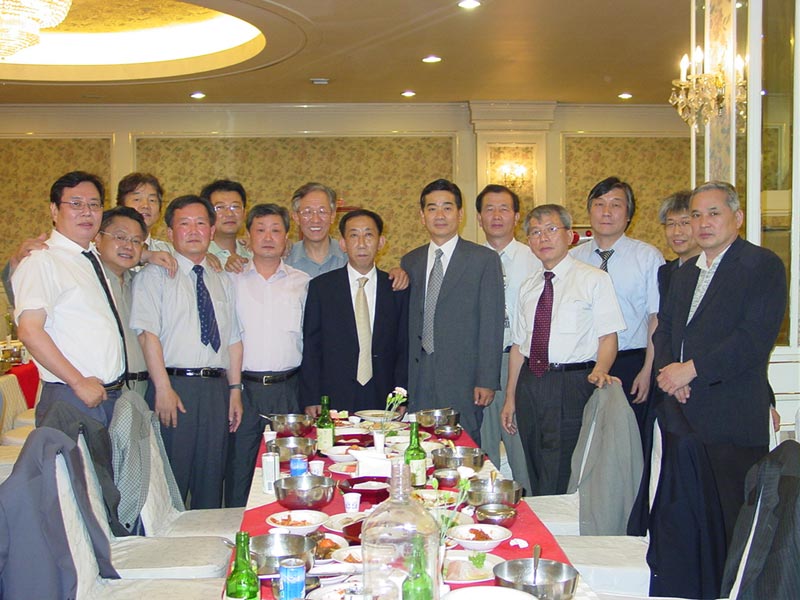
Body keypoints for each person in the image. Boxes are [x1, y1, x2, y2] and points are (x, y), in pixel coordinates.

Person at [653, 181, 787, 544]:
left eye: (714, 213)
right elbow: (664, 330)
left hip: (732, 417)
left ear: (737, 217)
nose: (703, 223)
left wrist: (690, 370)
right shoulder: (685, 273)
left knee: (731, 523)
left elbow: (753, 338)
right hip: (682, 413)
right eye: (696, 215)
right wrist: (669, 374)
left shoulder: (761, 265)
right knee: (689, 523)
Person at [500, 204, 625, 495]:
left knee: (562, 466)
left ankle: (557, 520)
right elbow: (519, 346)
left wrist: (600, 370)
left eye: (551, 229)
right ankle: (543, 516)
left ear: (570, 236)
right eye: (535, 232)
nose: (543, 238)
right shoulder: (529, 286)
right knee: (534, 460)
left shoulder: (593, 279)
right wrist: (510, 397)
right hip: (530, 382)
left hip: (572, 383)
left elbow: (608, 336)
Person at [131, 194, 243, 509]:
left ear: (212, 230)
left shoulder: (221, 278)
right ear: (170, 232)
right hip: (175, 388)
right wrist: (163, 388)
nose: (193, 231)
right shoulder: (153, 276)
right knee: (172, 482)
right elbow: (148, 336)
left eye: (201, 223)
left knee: (212, 479)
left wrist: (235, 390)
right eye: (184, 224)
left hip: (216, 390)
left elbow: (233, 339)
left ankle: (207, 538)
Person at [12, 171, 126, 426]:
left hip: (104, 395)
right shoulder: (43, 260)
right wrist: (78, 382)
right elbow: (30, 331)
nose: (87, 212)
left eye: (94, 204)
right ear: (54, 210)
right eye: (76, 204)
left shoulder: (90, 258)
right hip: (73, 395)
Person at [401, 178, 504, 444]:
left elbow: (491, 323)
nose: (440, 215)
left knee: (462, 447)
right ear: (422, 216)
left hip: (464, 378)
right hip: (418, 376)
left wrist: (487, 379)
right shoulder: (410, 261)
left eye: (447, 208)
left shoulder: (483, 259)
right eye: (432, 208)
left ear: (460, 214)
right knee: (419, 446)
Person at [225, 203, 310, 507]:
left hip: (289, 388)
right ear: (248, 237)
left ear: (287, 237)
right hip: (244, 389)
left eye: (276, 230)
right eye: (260, 230)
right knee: (241, 469)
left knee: (290, 468)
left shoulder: (302, 282)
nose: (268, 237)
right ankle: (241, 527)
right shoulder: (230, 279)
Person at [570, 176, 664, 434]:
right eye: (599, 204)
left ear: (629, 214)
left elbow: (656, 318)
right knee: (585, 442)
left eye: (616, 205)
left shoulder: (647, 257)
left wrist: (648, 370)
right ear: (589, 211)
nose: (607, 212)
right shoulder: (572, 259)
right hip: (584, 364)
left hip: (630, 363)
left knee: (629, 441)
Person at [300, 208, 408, 416]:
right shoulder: (321, 288)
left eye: (368, 235)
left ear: (381, 242)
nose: (361, 243)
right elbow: (312, 346)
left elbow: (403, 346)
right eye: (354, 235)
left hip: (384, 393)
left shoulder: (395, 288)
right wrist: (311, 396)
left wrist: (401, 393)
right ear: (343, 244)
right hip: (333, 393)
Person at [476, 184, 538, 494]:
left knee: (522, 447)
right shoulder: (468, 259)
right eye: (489, 209)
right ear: (478, 218)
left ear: (516, 216)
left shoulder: (536, 257)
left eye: (504, 209)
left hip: (523, 363)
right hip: (480, 365)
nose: (497, 215)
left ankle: (530, 511)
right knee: (482, 450)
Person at [94, 206, 153, 396]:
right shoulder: (86, 282)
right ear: (97, 238)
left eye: (136, 241)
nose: (129, 246)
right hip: (103, 390)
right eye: (120, 237)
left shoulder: (142, 285)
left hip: (143, 388)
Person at [285, 182, 348, 278]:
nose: (315, 220)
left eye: (322, 211)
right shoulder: (285, 261)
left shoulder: (349, 257)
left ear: (332, 216)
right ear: (296, 217)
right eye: (307, 212)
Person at [200, 179, 253, 272]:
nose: (229, 214)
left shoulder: (252, 255)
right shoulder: (197, 256)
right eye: (220, 207)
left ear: (244, 213)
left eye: (235, 207)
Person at [657, 190, 699, 300]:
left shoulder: (716, 269)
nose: (676, 232)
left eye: (685, 223)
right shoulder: (665, 272)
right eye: (671, 224)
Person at [115, 172, 173, 253]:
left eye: (152, 200)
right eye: (137, 199)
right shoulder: (105, 248)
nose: (145, 205)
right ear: (121, 206)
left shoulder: (169, 252)